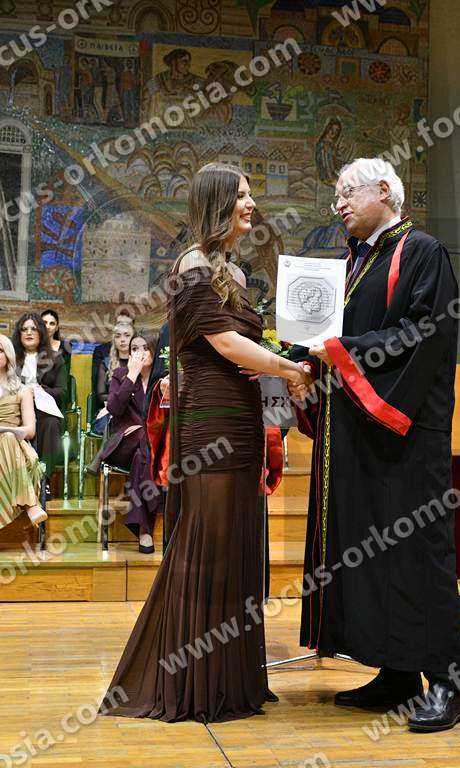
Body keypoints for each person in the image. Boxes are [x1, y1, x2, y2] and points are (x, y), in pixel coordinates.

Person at [100, 162, 309, 724]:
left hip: (240, 420)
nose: (251, 203)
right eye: (241, 194)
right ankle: (194, 683)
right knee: (207, 544)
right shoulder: (192, 265)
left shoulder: (232, 271)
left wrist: (280, 359)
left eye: (251, 193)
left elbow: (246, 345)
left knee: (236, 542)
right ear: (217, 203)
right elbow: (228, 345)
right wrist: (290, 369)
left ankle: (230, 680)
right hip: (209, 423)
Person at [288, 158, 460, 733]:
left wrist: (341, 351)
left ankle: (447, 684)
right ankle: (397, 674)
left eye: (347, 193)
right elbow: (333, 341)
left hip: (407, 432)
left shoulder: (423, 252)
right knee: (376, 555)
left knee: (418, 556)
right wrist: (307, 362)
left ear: (384, 190)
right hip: (359, 432)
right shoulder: (355, 262)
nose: (337, 204)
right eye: (335, 196)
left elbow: (422, 335)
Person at [88, 332, 163, 554]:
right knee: (141, 440)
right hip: (123, 444)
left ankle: (143, 529)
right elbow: (114, 408)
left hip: (150, 449)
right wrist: (132, 375)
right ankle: (156, 505)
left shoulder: (163, 379)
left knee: (142, 455)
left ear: (155, 351)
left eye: (145, 348)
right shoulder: (121, 375)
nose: (140, 353)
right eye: (135, 349)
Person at [12, 313, 66, 491]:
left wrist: (41, 392)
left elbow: (63, 393)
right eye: (24, 329)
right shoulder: (10, 358)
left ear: (41, 333)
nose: (29, 333)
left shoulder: (56, 359)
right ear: (19, 334)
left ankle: (44, 480)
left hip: (44, 411)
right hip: (16, 410)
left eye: (33, 329)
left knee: (51, 424)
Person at [0, 334, 47, 529]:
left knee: (7, 438)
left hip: (15, 447)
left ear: (8, 355)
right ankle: (31, 504)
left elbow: (30, 430)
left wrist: (6, 430)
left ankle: (30, 504)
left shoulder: (23, 390)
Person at [93, 320, 133, 434]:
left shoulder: (139, 363)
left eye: (127, 335)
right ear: (113, 340)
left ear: (133, 339)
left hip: (134, 410)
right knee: (109, 423)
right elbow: (101, 396)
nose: (122, 339)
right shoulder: (106, 363)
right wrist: (117, 402)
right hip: (110, 410)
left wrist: (118, 400)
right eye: (118, 336)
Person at [41, 309, 72, 394]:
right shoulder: (32, 345)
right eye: (44, 322)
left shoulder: (65, 346)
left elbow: (63, 375)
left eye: (52, 323)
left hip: (54, 390)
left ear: (56, 328)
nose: (48, 326)